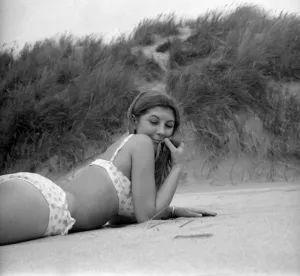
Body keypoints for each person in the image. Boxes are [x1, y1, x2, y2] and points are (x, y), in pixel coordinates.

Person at [0, 90, 216, 245]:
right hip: (51, 206)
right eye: (154, 121)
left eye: (169, 126)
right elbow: (146, 217)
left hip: (42, 199)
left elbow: (117, 215)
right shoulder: (140, 143)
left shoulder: (126, 147)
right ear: (135, 120)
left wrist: (171, 211)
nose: (161, 131)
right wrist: (178, 166)